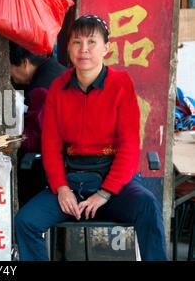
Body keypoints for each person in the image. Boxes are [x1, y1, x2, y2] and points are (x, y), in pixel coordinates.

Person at [14, 15, 167, 261]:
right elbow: (50, 145)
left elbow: (129, 147)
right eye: (77, 42)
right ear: (68, 48)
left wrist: (104, 193)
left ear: (106, 48)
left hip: (115, 183)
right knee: (26, 222)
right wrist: (62, 188)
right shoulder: (58, 88)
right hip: (71, 181)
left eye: (92, 42)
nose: (83, 49)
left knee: (147, 206)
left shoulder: (121, 85)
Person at [9, 41, 67, 205]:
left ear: (25, 63)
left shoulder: (41, 89)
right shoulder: (59, 70)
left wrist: (15, 137)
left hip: (59, 168)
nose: (11, 76)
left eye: (11, 69)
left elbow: (34, 140)